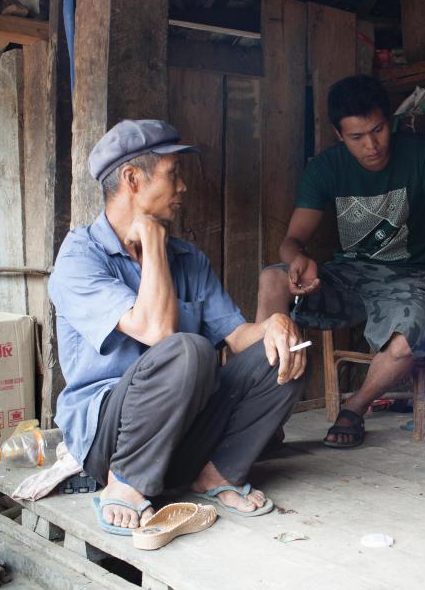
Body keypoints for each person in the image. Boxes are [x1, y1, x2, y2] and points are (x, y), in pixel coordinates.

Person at [49, 120, 306, 534]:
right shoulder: (80, 257)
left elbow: (237, 336)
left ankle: (216, 474)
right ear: (132, 179)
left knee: (285, 352)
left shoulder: (188, 258)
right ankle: (126, 482)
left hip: (182, 436)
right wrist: (152, 243)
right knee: (188, 350)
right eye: (173, 174)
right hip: (110, 440)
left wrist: (275, 324)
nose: (183, 187)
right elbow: (157, 333)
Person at [256, 75, 425, 448]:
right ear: (339, 135)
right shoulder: (326, 167)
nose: (371, 146)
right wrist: (298, 260)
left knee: (410, 333)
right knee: (272, 279)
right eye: (356, 137)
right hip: (347, 277)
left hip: (409, 279)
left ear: (391, 122)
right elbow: (291, 241)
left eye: (378, 130)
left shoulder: (421, 155)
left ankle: (354, 409)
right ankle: (264, 413)